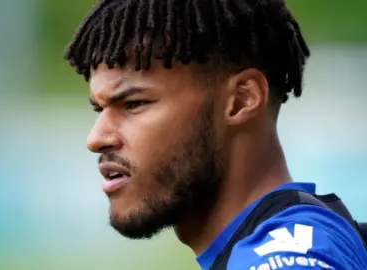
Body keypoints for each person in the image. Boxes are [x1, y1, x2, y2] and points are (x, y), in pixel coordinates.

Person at [64, 0, 367, 269]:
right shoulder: (301, 240)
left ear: (241, 100)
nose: (97, 138)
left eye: (134, 104)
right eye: (99, 110)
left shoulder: (286, 258)